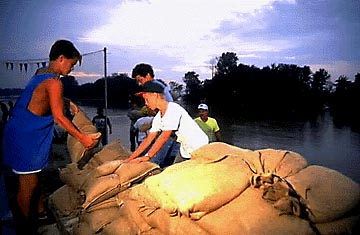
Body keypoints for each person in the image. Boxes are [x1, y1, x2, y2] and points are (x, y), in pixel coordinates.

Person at [1, 39, 100, 234]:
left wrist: (68, 101)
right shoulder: (55, 82)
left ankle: (38, 213)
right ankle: (25, 227)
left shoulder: (41, 74)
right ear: (61, 58)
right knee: (27, 186)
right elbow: (59, 118)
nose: (71, 69)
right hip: (27, 137)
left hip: (19, 129)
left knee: (33, 180)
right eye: (71, 64)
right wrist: (83, 138)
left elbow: (44, 96)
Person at [125, 81, 209, 165]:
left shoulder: (173, 109)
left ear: (155, 95)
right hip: (185, 149)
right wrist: (131, 157)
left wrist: (148, 156)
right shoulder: (158, 117)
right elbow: (148, 139)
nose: (146, 103)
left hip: (198, 146)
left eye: (147, 99)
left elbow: (164, 136)